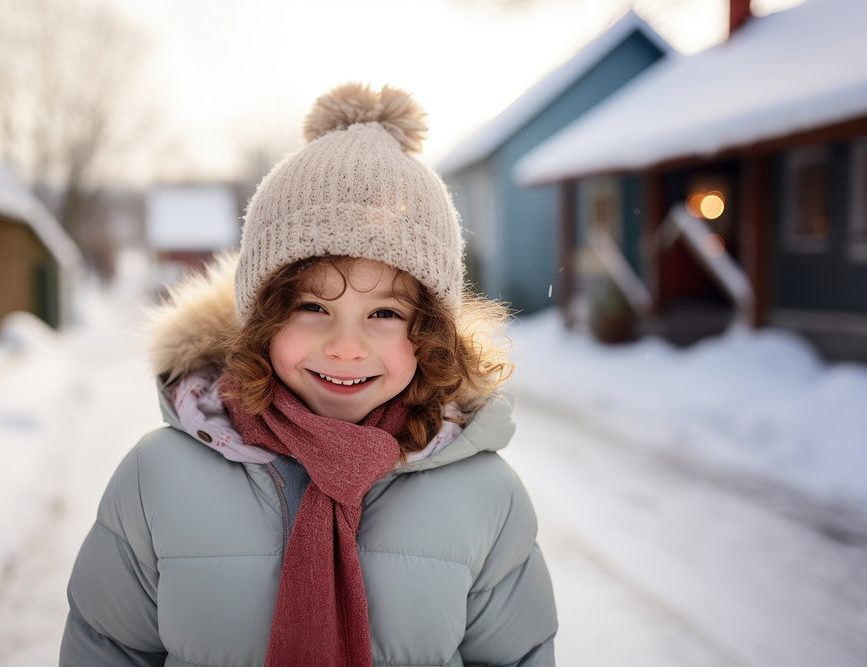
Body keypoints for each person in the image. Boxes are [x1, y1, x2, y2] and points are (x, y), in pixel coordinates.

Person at [60, 82, 558, 666]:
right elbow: (108, 647)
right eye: (312, 307)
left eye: (385, 314)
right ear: (261, 317)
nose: (346, 347)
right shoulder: (157, 478)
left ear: (431, 333)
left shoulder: (484, 497)